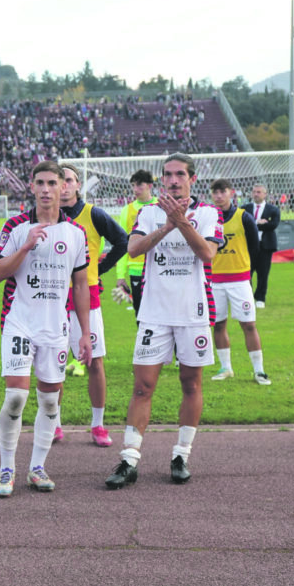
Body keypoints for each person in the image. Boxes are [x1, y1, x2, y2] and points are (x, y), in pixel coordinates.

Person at [105, 153, 223, 489]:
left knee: (191, 384)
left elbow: (207, 253)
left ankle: (181, 455)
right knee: (142, 387)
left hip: (193, 312)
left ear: (192, 178)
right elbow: (134, 249)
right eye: (168, 175)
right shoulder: (148, 212)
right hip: (154, 312)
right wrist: (168, 223)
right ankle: (129, 459)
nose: (173, 180)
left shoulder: (209, 213)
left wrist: (182, 221)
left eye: (180, 174)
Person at [0, 160, 93, 498]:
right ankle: (7, 468)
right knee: (16, 397)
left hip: (55, 328)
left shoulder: (76, 234)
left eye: (53, 183)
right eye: (40, 183)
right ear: (31, 187)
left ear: (65, 187)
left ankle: (37, 467)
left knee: (50, 403)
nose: (47, 189)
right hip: (19, 322)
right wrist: (25, 246)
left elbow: (81, 286)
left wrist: (85, 333)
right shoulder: (16, 226)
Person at [56, 162, 127, 447]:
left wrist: (100, 269)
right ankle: (54, 424)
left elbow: (122, 241)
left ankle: (98, 425)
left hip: (88, 296)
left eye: (69, 180)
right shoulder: (43, 216)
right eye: (59, 180)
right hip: (51, 297)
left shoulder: (93, 214)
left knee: (95, 361)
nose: (64, 185)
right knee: (53, 364)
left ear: (77, 185)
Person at [208, 179, 270, 385]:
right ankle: (226, 368)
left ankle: (259, 371)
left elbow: (254, 248)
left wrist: (242, 268)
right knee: (218, 325)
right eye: (215, 192)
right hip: (214, 281)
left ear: (231, 193)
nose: (219, 196)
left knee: (249, 325)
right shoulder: (208, 218)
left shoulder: (244, 217)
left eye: (222, 191)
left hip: (239, 281)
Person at [115, 170, 157, 316]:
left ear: (150, 186)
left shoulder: (162, 206)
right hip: (136, 269)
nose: (135, 189)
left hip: (159, 268)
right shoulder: (127, 210)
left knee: (163, 314)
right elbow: (122, 244)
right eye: (133, 185)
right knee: (140, 314)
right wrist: (121, 275)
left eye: (139, 185)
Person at [242, 184, 279, 308]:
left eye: (258, 192)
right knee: (247, 273)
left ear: (265, 194)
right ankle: (248, 297)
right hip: (248, 246)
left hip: (266, 246)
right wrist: (257, 222)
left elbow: (272, 225)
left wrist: (251, 222)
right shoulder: (244, 208)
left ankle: (260, 298)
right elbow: (243, 224)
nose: (256, 194)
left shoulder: (273, 209)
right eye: (254, 191)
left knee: (263, 273)